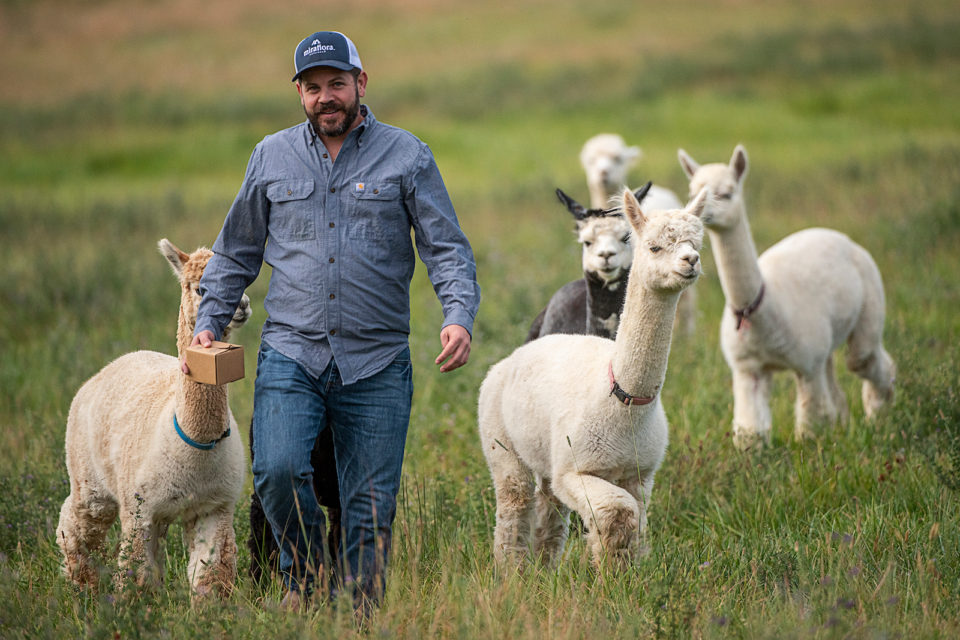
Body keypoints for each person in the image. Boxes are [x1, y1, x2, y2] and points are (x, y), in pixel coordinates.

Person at [183, 30, 480, 612]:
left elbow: (446, 248)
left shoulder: (408, 155)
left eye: (337, 84)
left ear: (360, 83)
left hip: (377, 360)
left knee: (370, 506)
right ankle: (308, 580)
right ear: (299, 93)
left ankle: (360, 617)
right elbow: (237, 250)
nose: (326, 97)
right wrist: (210, 320)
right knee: (276, 471)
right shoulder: (271, 156)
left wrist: (458, 316)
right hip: (291, 353)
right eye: (313, 87)